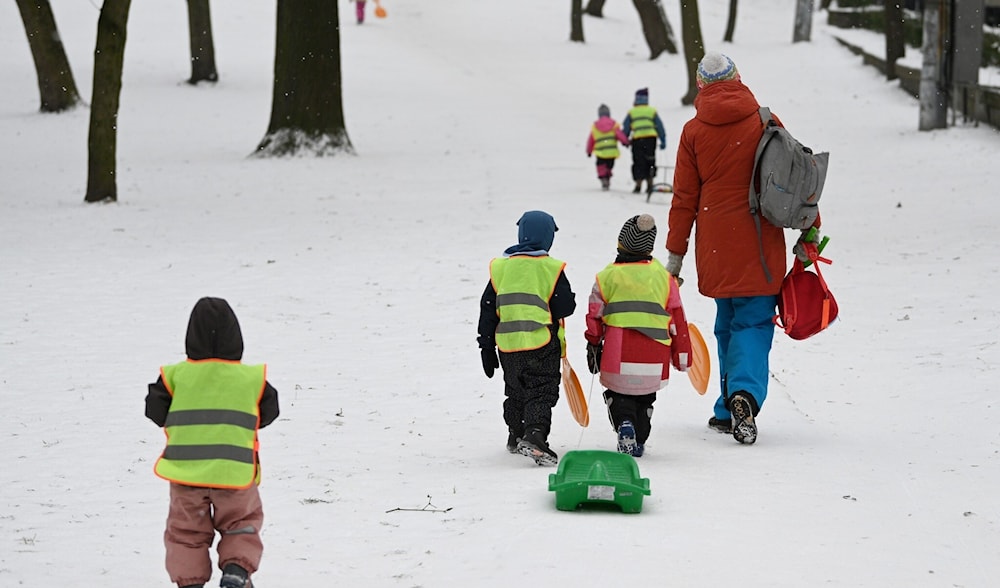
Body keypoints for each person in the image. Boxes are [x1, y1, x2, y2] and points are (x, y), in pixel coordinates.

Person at [663, 53, 821, 445]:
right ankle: (744, 396)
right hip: (759, 238)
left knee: (726, 323)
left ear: (701, 86)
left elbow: (684, 197)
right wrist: (811, 230)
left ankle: (725, 406)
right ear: (737, 79)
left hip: (715, 245)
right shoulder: (764, 121)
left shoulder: (693, 131)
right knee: (752, 322)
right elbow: (797, 176)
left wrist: (674, 255)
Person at [145, 297, 280, 588]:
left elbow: (154, 410)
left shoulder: (174, 376)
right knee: (240, 524)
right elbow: (269, 411)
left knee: (186, 531)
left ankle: (190, 581)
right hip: (235, 474)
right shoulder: (250, 378)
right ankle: (236, 571)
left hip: (186, 476)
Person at [584, 214, 692, 457]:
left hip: (617, 352)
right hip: (654, 354)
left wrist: (592, 343)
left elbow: (595, 314)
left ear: (621, 244)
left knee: (619, 395)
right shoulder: (664, 278)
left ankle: (624, 424)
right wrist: (682, 355)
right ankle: (639, 435)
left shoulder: (607, 276)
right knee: (645, 398)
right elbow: (677, 319)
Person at [477, 210, 576, 466]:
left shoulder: (501, 268)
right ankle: (534, 435)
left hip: (508, 347)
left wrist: (485, 345)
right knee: (540, 391)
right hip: (540, 343)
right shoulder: (550, 268)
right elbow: (565, 307)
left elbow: (488, 308)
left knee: (516, 391)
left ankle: (516, 433)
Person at [622, 88, 667, 195]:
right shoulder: (652, 111)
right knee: (650, 161)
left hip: (637, 140)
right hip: (651, 139)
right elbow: (660, 126)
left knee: (638, 161)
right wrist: (663, 139)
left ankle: (638, 185)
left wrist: (625, 140)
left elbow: (626, 127)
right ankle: (650, 184)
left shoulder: (632, 112)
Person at [585, 104, 630, 191]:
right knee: (609, 165)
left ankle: (603, 178)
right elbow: (619, 135)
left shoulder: (595, 127)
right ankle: (608, 176)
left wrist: (589, 151)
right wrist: (626, 142)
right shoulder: (613, 125)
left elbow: (591, 140)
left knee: (600, 165)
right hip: (611, 151)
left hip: (600, 152)